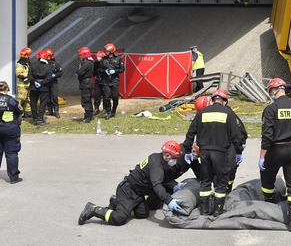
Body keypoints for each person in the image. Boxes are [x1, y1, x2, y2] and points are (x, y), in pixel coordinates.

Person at [78, 141, 189, 226]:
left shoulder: (160, 160)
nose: (175, 161)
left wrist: (175, 186)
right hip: (128, 190)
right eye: (175, 158)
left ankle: (116, 202)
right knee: (119, 218)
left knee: (143, 213)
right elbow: (157, 184)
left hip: (138, 193)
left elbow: (165, 179)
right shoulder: (157, 165)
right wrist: (169, 200)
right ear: (168, 155)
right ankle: (93, 209)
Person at [182, 89, 244, 217]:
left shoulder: (202, 113)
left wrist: (187, 150)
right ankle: (217, 210)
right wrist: (238, 151)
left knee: (205, 180)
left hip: (204, 152)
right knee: (221, 181)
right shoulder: (228, 113)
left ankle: (204, 210)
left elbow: (191, 133)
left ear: (212, 100)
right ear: (224, 101)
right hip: (221, 152)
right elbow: (236, 135)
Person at [260, 78, 291, 232]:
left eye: (270, 91)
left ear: (274, 90)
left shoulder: (271, 109)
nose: (271, 94)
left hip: (275, 150)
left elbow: (267, 135)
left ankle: (269, 203)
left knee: (267, 178)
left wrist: (262, 156)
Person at [0, 81, 23, 184]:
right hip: (10, 129)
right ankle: (13, 177)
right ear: (7, 89)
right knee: (11, 153)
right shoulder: (12, 101)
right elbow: (20, 113)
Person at [101, 43, 125, 119]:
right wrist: (105, 71)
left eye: (107, 50)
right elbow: (100, 69)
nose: (105, 51)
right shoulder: (103, 59)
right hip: (106, 81)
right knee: (106, 97)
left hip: (114, 81)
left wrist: (114, 71)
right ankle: (108, 112)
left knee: (115, 97)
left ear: (111, 51)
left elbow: (122, 69)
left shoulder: (118, 59)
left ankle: (113, 110)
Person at [29, 50, 52, 126]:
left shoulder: (32, 64)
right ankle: (40, 118)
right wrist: (41, 83)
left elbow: (30, 76)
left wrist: (35, 82)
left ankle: (34, 118)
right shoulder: (48, 66)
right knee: (43, 103)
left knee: (33, 102)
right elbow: (49, 78)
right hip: (44, 87)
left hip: (33, 86)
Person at [76, 47, 95, 123]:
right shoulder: (89, 62)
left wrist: (79, 68)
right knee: (88, 100)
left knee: (85, 101)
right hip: (87, 83)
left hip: (86, 83)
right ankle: (90, 115)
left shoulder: (86, 63)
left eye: (81, 55)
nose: (79, 56)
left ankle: (88, 117)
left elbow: (79, 72)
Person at [45, 48, 63, 118]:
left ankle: (56, 111)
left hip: (53, 83)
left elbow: (61, 72)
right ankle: (50, 110)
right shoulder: (44, 63)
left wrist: (55, 75)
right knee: (47, 98)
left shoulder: (55, 64)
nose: (48, 57)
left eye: (49, 56)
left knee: (54, 97)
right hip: (46, 83)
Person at [15, 47, 32, 118]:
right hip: (22, 85)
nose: (29, 56)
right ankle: (19, 113)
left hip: (28, 84)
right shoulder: (20, 64)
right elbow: (18, 74)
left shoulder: (27, 63)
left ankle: (28, 112)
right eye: (28, 55)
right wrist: (26, 76)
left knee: (28, 99)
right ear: (25, 55)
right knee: (21, 99)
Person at [92, 50, 106, 116]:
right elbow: (93, 72)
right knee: (97, 95)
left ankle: (105, 109)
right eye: (98, 57)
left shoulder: (106, 63)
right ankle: (96, 109)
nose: (98, 58)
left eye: (99, 57)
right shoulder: (95, 63)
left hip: (105, 81)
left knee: (105, 96)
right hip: (98, 81)